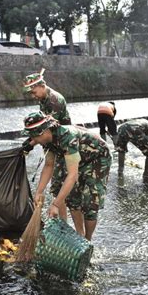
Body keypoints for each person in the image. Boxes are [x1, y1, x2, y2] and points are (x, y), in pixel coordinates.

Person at [22, 111, 111, 241]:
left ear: (44, 131)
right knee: (72, 198)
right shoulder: (47, 141)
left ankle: (87, 239)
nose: (34, 141)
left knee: (90, 201)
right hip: (77, 158)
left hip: (97, 158)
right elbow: (49, 165)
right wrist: (39, 192)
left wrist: (56, 204)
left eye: (35, 137)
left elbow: (72, 175)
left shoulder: (67, 137)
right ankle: (79, 235)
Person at [22, 69, 72, 220]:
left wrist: (31, 143)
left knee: (58, 183)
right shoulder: (43, 98)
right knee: (53, 176)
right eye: (30, 93)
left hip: (62, 143)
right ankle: (61, 221)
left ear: (42, 85)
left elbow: (46, 130)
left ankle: (63, 222)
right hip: (51, 140)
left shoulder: (53, 101)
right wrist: (30, 142)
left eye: (34, 92)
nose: (33, 96)